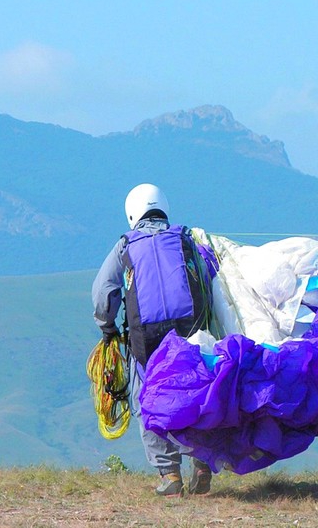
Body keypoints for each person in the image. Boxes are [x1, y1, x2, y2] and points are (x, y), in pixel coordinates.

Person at [91, 183, 214, 496]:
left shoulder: (126, 245)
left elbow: (105, 290)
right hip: (190, 330)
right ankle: (202, 461)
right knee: (193, 390)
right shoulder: (184, 238)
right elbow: (207, 276)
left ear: (132, 214)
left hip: (146, 338)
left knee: (149, 398)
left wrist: (107, 327)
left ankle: (170, 474)